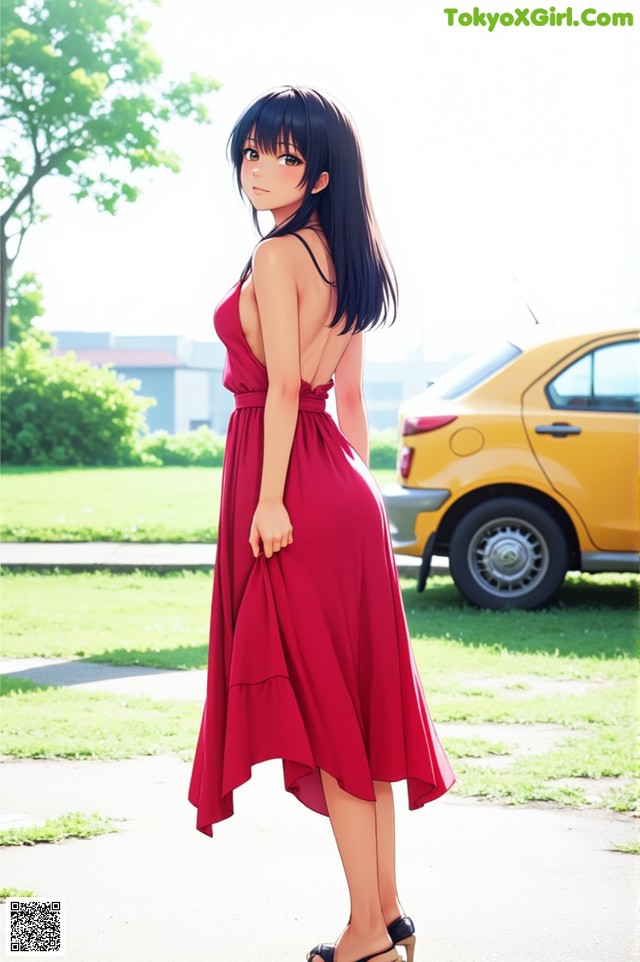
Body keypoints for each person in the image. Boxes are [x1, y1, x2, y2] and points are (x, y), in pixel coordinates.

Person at [188, 84, 456, 962]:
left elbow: (277, 400)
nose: (260, 170)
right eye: (252, 153)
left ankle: (366, 933)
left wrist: (271, 501)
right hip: (340, 487)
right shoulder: (344, 257)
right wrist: (361, 494)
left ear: (321, 172)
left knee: (331, 717)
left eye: (284, 156)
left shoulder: (276, 256)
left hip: (293, 487)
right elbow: (349, 399)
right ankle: (387, 911)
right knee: (360, 712)